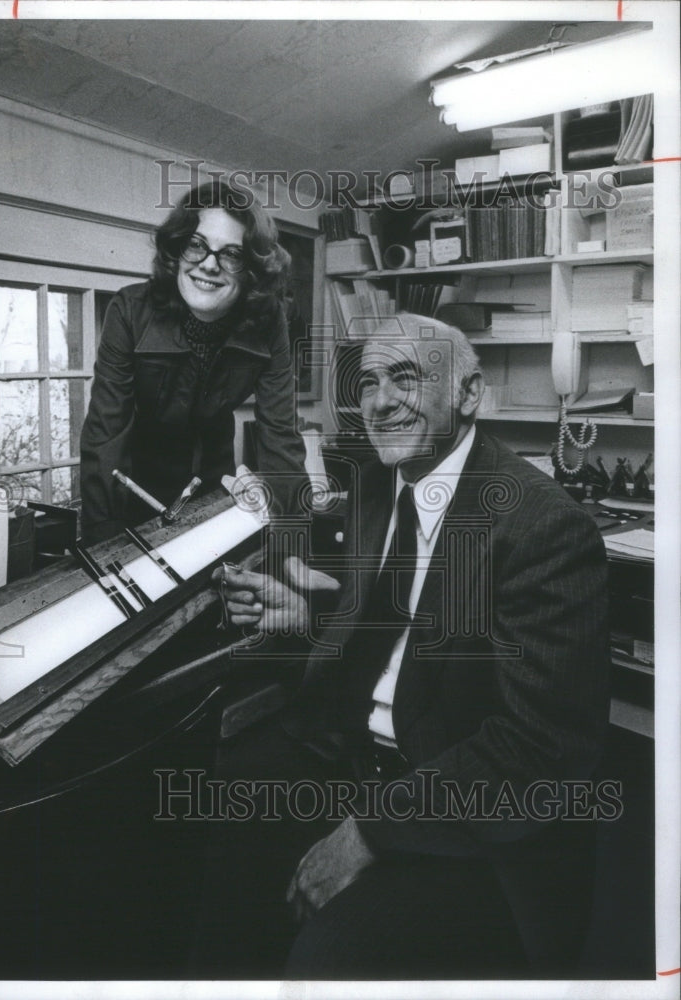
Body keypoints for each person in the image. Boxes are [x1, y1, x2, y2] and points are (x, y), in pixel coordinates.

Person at [198, 312, 610, 978]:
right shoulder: (372, 483)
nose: (380, 400)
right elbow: (393, 631)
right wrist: (301, 618)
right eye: (368, 382)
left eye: (406, 378)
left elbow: (541, 745)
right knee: (208, 849)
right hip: (351, 755)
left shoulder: (542, 529)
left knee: (327, 963)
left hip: (459, 797)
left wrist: (370, 830)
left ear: (467, 395)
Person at [80, 181, 308, 545]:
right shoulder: (128, 310)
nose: (209, 265)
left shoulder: (270, 321)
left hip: (214, 484)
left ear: (250, 270)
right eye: (196, 245)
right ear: (177, 249)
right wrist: (100, 549)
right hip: (136, 489)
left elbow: (281, 438)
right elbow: (104, 438)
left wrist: (293, 544)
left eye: (232, 254)